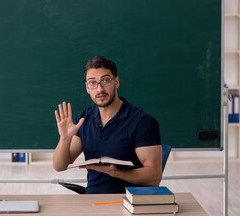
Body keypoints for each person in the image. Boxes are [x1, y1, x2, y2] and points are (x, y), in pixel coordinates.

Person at [53, 56, 162, 194]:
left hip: (128, 202)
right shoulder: (84, 118)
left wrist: (117, 173)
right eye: (92, 83)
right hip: (92, 201)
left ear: (116, 82)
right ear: (87, 87)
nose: (99, 89)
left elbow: (154, 177)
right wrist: (64, 139)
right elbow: (59, 166)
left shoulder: (142, 121)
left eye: (105, 81)